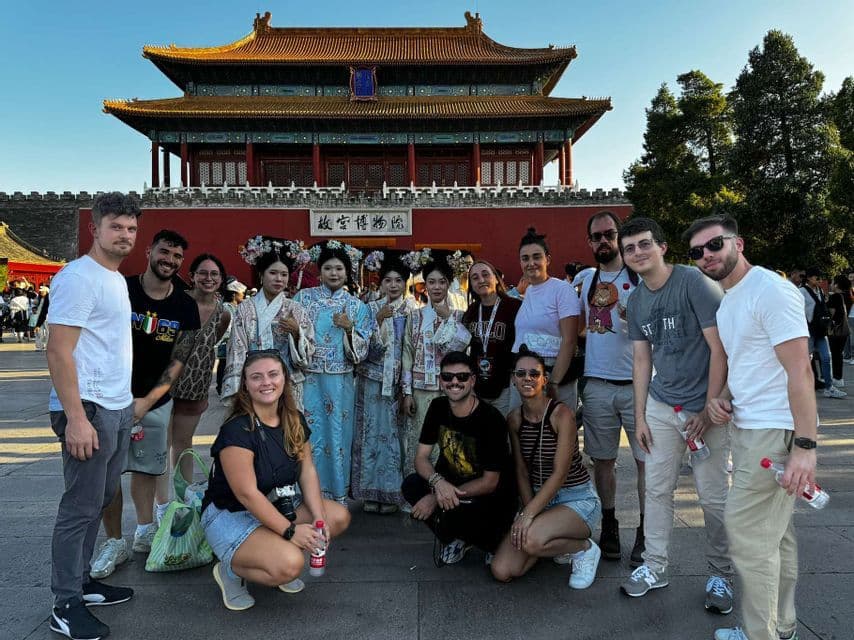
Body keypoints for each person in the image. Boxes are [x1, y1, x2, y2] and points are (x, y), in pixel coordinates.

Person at [685, 215, 816, 640]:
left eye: (715, 245)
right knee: (775, 537)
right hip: (747, 426)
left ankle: (763, 634)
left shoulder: (770, 290)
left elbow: (801, 372)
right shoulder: (729, 302)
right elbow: (746, 366)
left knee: (744, 533)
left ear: (738, 243)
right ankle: (782, 627)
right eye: (697, 252)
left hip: (772, 432)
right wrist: (722, 398)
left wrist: (805, 446)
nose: (707, 256)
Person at [618, 217, 734, 616]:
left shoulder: (692, 282)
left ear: (662, 247)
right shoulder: (636, 301)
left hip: (706, 409)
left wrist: (710, 405)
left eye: (644, 244)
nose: (637, 253)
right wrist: (640, 418)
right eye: (629, 248)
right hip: (662, 405)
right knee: (655, 490)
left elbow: (720, 349)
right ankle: (655, 566)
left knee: (713, 497)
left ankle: (721, 573)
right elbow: (640, 359)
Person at [46, 192, 140, 640]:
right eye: (116, 227)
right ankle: (64, 602)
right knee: (79, 506)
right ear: (95, 229)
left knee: (100, 499)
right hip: (90, 408)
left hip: (116, 408)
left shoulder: (115, 278)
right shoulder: (78, 278)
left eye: (131, 229)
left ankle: (82, 581)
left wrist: (128, 409)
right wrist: (77, 418)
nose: (125, 236)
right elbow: (58, 350)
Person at [201, 350, 351, 610]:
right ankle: (231, 570)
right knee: (291, 564)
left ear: (285, 379)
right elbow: (247, 494)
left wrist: (317, 519)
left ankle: (271, 552)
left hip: (274, 506)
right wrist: (290, 531)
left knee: (336, 517)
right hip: (232, 514)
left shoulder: (293, 419)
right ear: (245, 385)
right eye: (256, 377)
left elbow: (307, 471)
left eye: (273, 374)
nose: (266, 383)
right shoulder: (237, 429)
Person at [92, 230, 202, 580]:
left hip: (155, 400)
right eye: (164, 252)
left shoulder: (184, 305)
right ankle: (113, 541)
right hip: (108, 396)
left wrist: (148, 402)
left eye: (176, 256)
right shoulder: (120, 289)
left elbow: (178, 360)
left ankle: (143, 529)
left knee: (147, 468)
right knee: (108, 472)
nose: (170, 260)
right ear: (148, 252)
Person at [490, 346, 602, 588]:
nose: (527, 378)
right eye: (521, 374)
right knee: (502, 570)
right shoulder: (514, 419)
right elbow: (520, 470)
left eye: (534, 373)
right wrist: (530, 509)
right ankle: (548, 541)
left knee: (530, 540)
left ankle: (584, 548)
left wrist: (528, 515)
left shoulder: (561, 415)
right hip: (541, 500)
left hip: (576, 499)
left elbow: (560, 474)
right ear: (513, 378)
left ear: (544, 379)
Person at [402, 351, 517, 564]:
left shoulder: (491, 419)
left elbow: (489, 483)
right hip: (453, 487)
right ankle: (457, 538)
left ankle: (492, 539)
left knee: (491, 545)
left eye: (462, 377)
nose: (454, 382)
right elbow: (421, 458)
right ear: (441, 380)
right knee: (412, 485)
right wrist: (438, 483)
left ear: (472, 380)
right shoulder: (438, 407)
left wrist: (437, 496)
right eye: (448, 377)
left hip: (489, 498)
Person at [578, 211, 645, 566]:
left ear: (620, 237)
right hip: (598, 384)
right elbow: (574, 328)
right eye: (596, 236)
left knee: (646, 462)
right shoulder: (586, 280)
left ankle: (647, 532)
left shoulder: (641, 278)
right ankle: (609, 523)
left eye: (609, 234)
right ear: (589, 243)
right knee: (602, 461)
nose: (603, 241)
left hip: (638, 386)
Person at [293, 241, 373, 503]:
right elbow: (296, 333)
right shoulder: (303, 299)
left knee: (338, 436)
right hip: (310, 379)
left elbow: (361, 351)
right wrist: (297, 334)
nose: (334, 273)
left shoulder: (357, 307)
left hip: (340, 384)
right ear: (320, 271)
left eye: (339, 268)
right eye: (328, 268)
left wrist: (350, 329)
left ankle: (336, 496)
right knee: (309, 435)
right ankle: (306, 495)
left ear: (347, 272)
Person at [163, 254, 231, 502]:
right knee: (161, 445)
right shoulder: (176, 302)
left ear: (221, 279)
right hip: (165, 384)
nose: (208, 278)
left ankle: (182, 501)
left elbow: (212, 342)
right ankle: (160, 506)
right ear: (192, 276)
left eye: (214, 274)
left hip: (196, 385)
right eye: (203, 273)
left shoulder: (223, 313)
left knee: (183, 444)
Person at [352, 257, 418, 513]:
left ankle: (391, 492)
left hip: (397, 383)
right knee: (370, 434)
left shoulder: (412, 311)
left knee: (393, 436)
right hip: (370, 381)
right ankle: (370, 491)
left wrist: (406, 386)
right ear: (381, 283)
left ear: (405, 283)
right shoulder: (369, 308)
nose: (393, 285)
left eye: (398, 280)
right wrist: (377, 320)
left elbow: (410, 351)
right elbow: (361, 347)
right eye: (388, 280)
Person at [402, 253, 472, 478]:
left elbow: (462, 349)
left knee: (450, 441)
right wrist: (406, 392)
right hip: (421, 391)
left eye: (442, 281)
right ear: (425, 285)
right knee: (421, 440)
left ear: (449, 283)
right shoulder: (414, 317)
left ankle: (451, 492)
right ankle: (420, 491)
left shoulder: (460, 317)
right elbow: (407, 355)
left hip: (452, 390)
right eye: (431, 282)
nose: (436, 287)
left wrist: (448, 320)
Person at [223, 245, 313, 406]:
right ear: (261, 275)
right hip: (254, 383)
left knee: (289, 428)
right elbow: (237, 348)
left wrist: (297, 333)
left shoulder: (295, 309)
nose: (279, 279)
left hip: (288, 381)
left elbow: (309, 351)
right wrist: (237, 386)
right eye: (273, 273)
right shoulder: (245, 308)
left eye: (284, 274)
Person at [512, 227, 580, 410]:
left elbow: (569, 340)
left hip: (552, 374)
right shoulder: (528, 292)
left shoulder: (562, 290)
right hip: (523, 375)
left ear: (547, 259)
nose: (531, 263)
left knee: (557, 434)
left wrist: (554, 382)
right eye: (525, 258)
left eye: (536, 257)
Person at [462, 259, 522, 417]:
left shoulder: (514, 307)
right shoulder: (471, 311)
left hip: (506, 386)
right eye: (475, 278)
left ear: (496, 278)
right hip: (478, 387)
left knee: (504, 435)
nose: (481, 280)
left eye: (485, 274)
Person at [801, 267, 845, 398]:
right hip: (808, 330)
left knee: (826, 358)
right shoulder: (801, 292)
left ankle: (829, 387)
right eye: (816, 277)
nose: (819, 280)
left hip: (820, 330)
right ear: (809, 278)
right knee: (805, 360)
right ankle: (803, 387)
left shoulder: (819, 290)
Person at [215, 279, 247, 396]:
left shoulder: (237, 307)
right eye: (241, 293)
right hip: (226, 342)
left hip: (235, 343)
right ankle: (221, 386)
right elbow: (226, 328)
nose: (243, 295)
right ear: (234, 294)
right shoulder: (226, 308)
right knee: (223, 364)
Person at [826, 275, 851, 389]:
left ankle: (836, 378)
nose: (830, 285)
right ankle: (839, 378)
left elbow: (831, 313)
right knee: (839, 355)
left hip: (835, 330)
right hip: (845, 330)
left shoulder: (835, 297)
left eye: (832, 282)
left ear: (836, 285)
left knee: (835, 355)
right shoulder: (846, 296)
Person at [33, 285, 50, 351]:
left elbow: (45, 310)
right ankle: (39, 346)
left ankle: (48, 346)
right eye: (40, 292)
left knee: (48, 333)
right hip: (39, 317)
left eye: (43, 291)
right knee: (38, 332)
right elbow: (34, 302)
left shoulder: (49, 299)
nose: (41, 293)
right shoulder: (40, 299)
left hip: (47, 318)